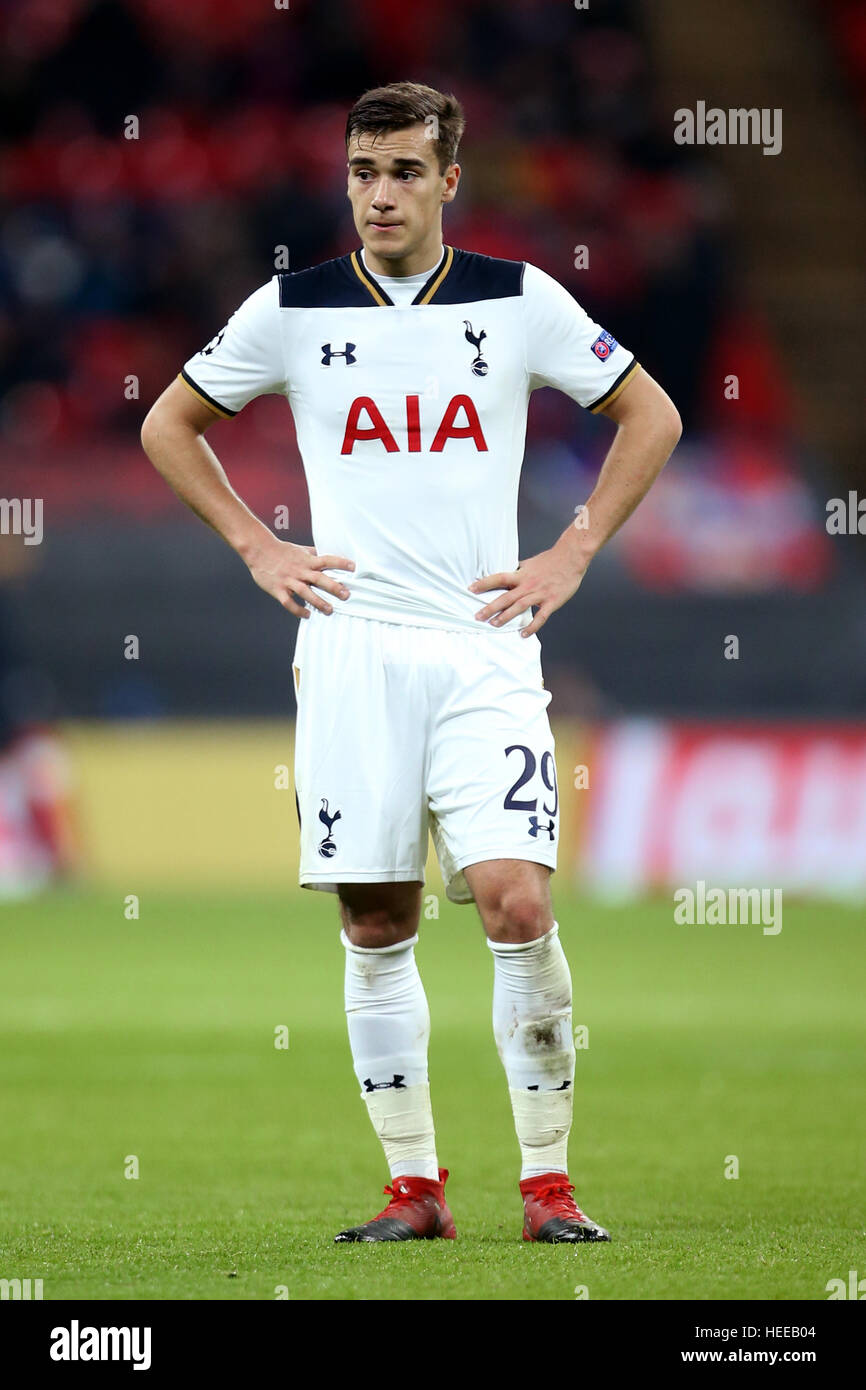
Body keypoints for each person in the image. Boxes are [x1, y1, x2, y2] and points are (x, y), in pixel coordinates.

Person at [141, 80, 681, 1245]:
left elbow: (653, 414)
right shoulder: (290, 309)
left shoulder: (519, 299)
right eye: (360, 172)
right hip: (349, 651)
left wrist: (571, 550)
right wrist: (254, 541)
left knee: (515, 898)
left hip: (483, 647)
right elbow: (165, 424)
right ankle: (414, 1190)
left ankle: (547, 1187)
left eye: (400, 172)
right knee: (378, 923)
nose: (377, 194)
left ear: (447, 180)